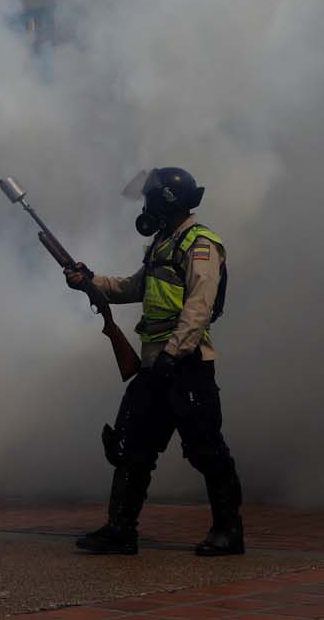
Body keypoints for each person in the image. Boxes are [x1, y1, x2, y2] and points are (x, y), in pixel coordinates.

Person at [64, 167, 243, 556]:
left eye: (149, 199)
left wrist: (174, 353)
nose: (144, 208)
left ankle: (229, 531)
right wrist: (90, 280)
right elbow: (133, 287)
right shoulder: (164, 242)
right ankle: (120, 530)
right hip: (154, 364)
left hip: (187, 364)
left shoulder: (200, 244)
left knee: (205, 449)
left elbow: (199, 307)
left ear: (166, 202)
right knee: (131, 446)